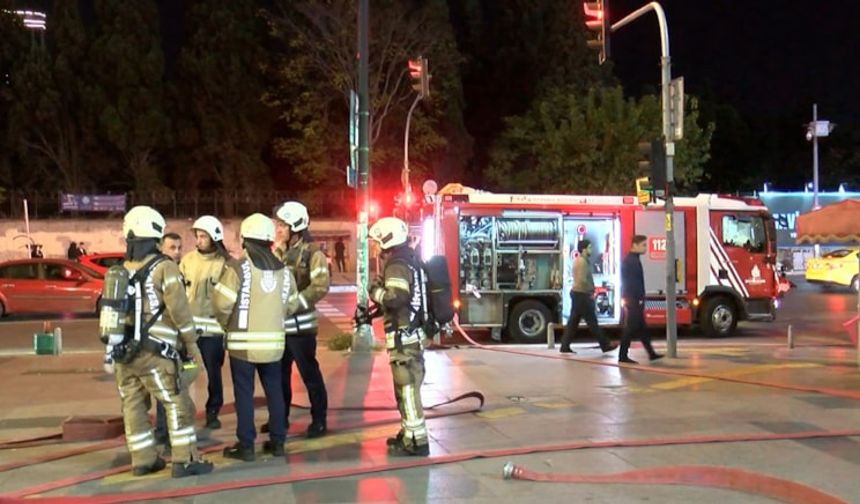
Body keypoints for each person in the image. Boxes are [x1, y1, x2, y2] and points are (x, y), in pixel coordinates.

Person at [108, 205, 212, 478]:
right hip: (155, 354)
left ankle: (143, 460)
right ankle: (185, 460)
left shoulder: (120, 269)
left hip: (123, 354)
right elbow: (179, 311)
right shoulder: (164, 267)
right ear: (155, 235)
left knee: (133, 405)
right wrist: (191, 345)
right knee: (178, 403)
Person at [213, 214, 298, 461]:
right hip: (274, 346)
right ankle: (278, 442)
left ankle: (247, 445)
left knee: (244, 395)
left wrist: (226, 325)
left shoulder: (238, 268)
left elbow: (221, 304)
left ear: (245, 239)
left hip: (243, 346)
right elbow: (291, 305)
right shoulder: (285, 272)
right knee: (275, 392)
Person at [365, 216, 430, 456]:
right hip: (411, 334)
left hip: (405, 337)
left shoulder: (397, 264)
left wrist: (375, 292)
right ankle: (408, 432)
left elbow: (396, 297)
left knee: (407, 390)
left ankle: (417, 441)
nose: (375, 245)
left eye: (377, 240)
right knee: (404, 389)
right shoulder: (409, 259)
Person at [266, 201, 329, 439]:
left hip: (302, 329)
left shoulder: (314, 253)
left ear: (296, 226)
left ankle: (319, 420)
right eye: (277, 224)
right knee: (279, 377)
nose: (277, 229)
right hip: (280, 328)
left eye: (282, 225)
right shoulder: (276, 250)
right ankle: (280, 419)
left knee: (310, 376)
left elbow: (320, 286)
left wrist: (294, 304)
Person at [180, 215, 231, 430]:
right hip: (190, 332)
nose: (199, 240)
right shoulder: (188, 261)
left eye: (203, 236)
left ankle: (213, 411)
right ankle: (184, 410)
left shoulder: (224, 264)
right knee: (187, 371)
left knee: (213, 374)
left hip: (213, 332)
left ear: (215, 238)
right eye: (198, 236)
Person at [559, 239, 617, 354]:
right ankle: (605, 345)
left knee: (573, 322)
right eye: (589, 248)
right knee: (592, 322)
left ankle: (565, 346)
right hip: (582, 295)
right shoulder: (582, 262)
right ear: (584, 249)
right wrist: (590, 292)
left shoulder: (580, 261)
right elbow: (582, 280)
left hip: (578, 294)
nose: (592, 250)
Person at [619, 235, 664, 364]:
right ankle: (623, 355)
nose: (646, 248)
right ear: (635, 245)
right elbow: (634, 283)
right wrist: (638, 299)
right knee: (630, 328)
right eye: (643, 245)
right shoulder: (632, 261)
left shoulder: (632, 260)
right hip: (633, 299)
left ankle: (651, 353)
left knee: (642, 328)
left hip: (632, 298)